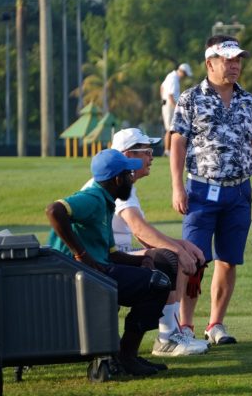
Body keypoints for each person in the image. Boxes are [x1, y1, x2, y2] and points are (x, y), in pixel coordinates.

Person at [170, 36, 252, 347]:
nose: (235, 65)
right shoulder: (190, 99)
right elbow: (177, 143)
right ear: (210, 63)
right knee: (192, 261)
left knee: (229, 260)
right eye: (228, 59)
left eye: (238, 59)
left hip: (238, 193)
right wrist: (176, 187)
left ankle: (215, 324)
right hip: (200, 191)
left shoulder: (249, 101)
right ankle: (185, 326)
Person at [46, 149, 172, 376]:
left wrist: (144, 260)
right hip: (73, 277)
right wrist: (82, 255)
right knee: (158, 283)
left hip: (94, 273)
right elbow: (54, 211)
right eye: (128, 175)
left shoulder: (106, 203)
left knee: (159, 272)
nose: (131, 179)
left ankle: (126, 355)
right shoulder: (93, 198)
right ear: (117, 179)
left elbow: (112, 254)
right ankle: (127, 357)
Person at [103, 128, 209, 357]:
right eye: (146, 152)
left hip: (113, 256)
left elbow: (142, 235)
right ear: (128, 156)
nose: (152, 157)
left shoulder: (123, 181)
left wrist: (181, 244)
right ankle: (167, 338)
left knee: (171, 254)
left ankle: (174, 332)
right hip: (103, 261)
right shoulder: (118, 181)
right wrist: (179, 251)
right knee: (169, 258)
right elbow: (139, 228)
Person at [161, 63, 193, 156]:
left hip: (167, 104)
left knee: (171, 128)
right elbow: (170, 96)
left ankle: (169, 150)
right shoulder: (174, 79)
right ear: (182, 72)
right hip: (170, 105)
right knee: (170, 129)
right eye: (185, 74)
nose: (185, 77)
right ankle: (167, 151)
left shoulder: (171, 75)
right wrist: (177, 108)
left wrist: (162, 100)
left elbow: (162, 87)